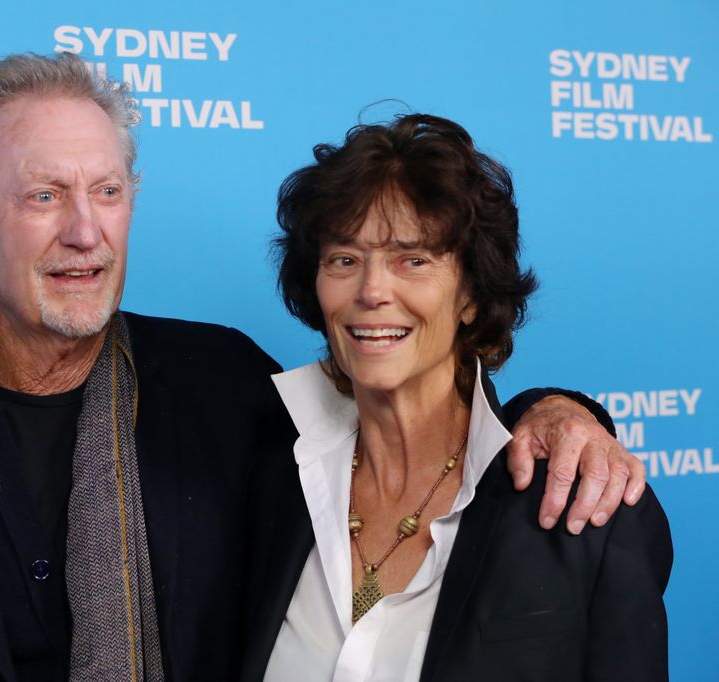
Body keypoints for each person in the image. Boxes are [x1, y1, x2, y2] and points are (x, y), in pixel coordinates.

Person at [0, 54, 644, 682]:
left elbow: (411, 400)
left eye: (107, 191)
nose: (85, 230)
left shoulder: (228, 387)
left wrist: (559, 410)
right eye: (44, 195)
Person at [249, 114, 671, 681]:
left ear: (471, 294)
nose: (372, 291)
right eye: (344, 260)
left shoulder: (583, 503)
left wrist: (559, 407)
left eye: (413, 260)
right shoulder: (267, 482)